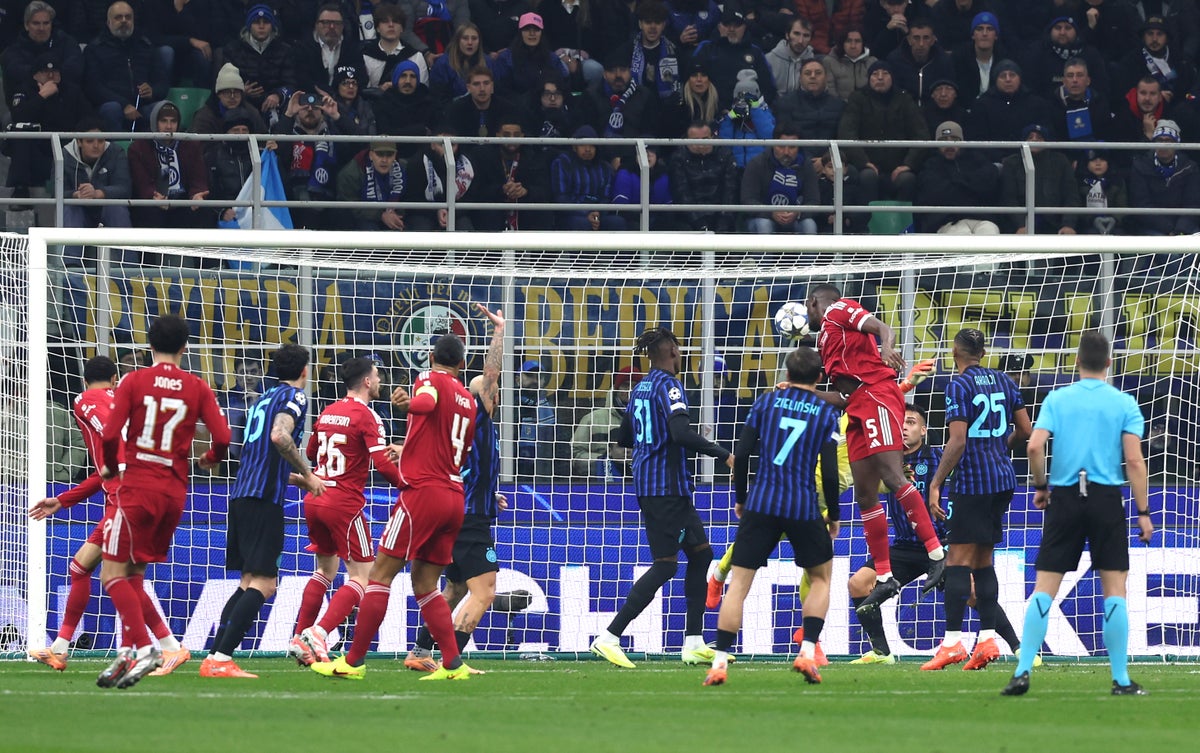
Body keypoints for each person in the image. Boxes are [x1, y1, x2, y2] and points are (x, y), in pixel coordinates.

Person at [311, 334, 479, 681]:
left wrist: (409, 405)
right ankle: (453, 664)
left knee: (378, 575)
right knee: (425, 584)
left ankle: (353, 662)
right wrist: (411, 447)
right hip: (454, 495)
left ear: (431, 357)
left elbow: (428, 403)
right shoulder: (468, 399)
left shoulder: (430, 379)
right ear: (463, 364)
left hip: (424, 494)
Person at [1002, 331, 1154, 697]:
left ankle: (1022, 672)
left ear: (1076, 363)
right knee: (1114, 587)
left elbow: (1035, 446)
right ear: (1109, 363)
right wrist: (1143, 511)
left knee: (1044, 588)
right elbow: (1134, 460)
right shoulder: (1124, 403)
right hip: (1104, 497)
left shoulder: (1058, 398)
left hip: (1066, 497)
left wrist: (1041, 487)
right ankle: (1120, 679)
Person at [28, 356, 191, 676]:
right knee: (81, 566)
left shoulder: (86, 400)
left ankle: (170, 647)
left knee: (122, 576)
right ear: (116, 379)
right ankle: (60, 649)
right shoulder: (131, 403)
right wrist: (64, 500)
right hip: (139, 492)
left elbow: (113, 445)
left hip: (127, 499)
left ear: (85, 380)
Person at [94, 315, 231, 689]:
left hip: (138, 487)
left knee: (111, 574)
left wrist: (107, 468)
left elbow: (108, 433)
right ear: (185, 347)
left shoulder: (134, 381)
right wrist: (209, 460)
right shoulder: (197, 386)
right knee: (134, 573)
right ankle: (143, 649)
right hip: (173, 494)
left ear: (148, 344)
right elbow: (222, 435)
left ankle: (143, 647)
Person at [589, 327, 734, 669]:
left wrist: (651, 437)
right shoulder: (669, 386)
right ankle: (610, 636)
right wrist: (721, 453)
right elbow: (680, 434)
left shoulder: (640, 388)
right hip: (665, 488)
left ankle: (694, 641)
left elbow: (624, 436)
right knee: (666, 565)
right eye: (679, 348)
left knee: (701, 555)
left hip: (657, 486)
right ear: (670, 350)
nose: (681, 353)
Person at [703, 346, 842, 686]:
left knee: (739, 586)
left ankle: (719, 662)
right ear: (820, 377)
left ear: (786, 375)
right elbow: (831, 468)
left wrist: (740, 499)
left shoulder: (765, 403)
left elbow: (743, 454)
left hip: (761, 503)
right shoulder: (826, 414)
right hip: (803, 505)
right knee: (822, 578)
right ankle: (808, 652)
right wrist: (834, 514)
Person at [805, 283, 946, 614]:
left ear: (813, 302)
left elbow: (883, 326)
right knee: (866, 495)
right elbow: (841, 397)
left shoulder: (837, 310)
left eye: (808, 307)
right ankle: (885, 575)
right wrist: (802, 391)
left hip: (878, 395)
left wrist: (886, 348)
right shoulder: (826, 338)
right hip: (856, 404)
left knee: (894, 477)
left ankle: (936, 555)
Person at [198, 345, 323, 679]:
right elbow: (280, 436)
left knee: (248, 581)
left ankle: (214, 656)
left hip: (241, 495)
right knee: (265, 584)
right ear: (305, 371)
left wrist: (296, 479)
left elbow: (259, 451)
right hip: (263, 500)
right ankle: (222, 657)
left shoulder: (261, 399)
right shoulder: (294, 398)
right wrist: (309, 473)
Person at [404, 305, 507, 671]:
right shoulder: (474, 404)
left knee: (456, 588)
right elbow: (491, 373)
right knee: (485, 592)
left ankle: (419, 651)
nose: (491, 389)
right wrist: (499, 331)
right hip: (470, 514)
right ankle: (454, 660)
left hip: (452, 503)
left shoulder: (445, 407)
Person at [923, 329, 1032, 671]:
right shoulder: (1003, 380)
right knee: (984, 560)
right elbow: (1027, 431)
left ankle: (952, 642)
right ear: (983, 351)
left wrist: (936, 483)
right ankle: (986, 639)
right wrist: (999, 449)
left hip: (973, 482)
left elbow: (957, 441)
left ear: (955, 350)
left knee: (957, 561)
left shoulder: (959, 384)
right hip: (1002, 480)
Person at [288, 356, 403, 666]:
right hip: (343, 504)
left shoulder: (328, 411)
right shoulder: (367, 416)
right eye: (377, 376)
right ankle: (318, 633)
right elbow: (382, 464)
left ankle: (300, 641)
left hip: (315, 497)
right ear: (367, 381)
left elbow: (311, 453)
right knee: (363, 578)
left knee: (325, 570)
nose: (379, 381)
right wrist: (406, 485)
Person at [837, 59, 928, 203]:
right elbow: (846, 133)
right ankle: (866, 224)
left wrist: (908, 164)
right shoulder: (857, 98)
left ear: (892, 78)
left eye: (885, 73)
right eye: (875, 74)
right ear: (868, 78)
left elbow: (921, 135)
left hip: (899, 166)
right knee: (867, 177)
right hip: (867, 165)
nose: (880, 77)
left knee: (908, 179)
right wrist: (863, 162)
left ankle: (903, 226)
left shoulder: (904, 99)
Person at [84, 1, 170, 133]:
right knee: (112, 109)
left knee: (164, 108)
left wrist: (153, 91)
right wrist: (124, 104)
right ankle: (117, 151)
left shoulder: (146, 46)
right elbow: (94, 88)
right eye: (118, 17)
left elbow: (163, 82)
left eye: (128, 17)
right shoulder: (94, 49)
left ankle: (159, 152)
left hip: (143, 107)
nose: (124, 21)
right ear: (108, 22)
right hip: (112, 107)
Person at [127, 101, 211, 234]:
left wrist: (196, 195)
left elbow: (198, 179)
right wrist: (154, 197)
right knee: (149, 213)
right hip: (153, 201)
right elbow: (141, 182)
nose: (168, 126)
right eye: (163, 121)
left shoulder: (190, 144)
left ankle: (201, 255)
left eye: (173, 121)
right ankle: (149, 255)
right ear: (155, 122)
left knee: (203, 211)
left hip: (183, 201)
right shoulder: (139, 147)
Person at [213, 4, 297, 123]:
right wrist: (240, 90)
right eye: (257, 22)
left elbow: (291, 83)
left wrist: (278, 95)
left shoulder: (285, 50)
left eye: (266, 22)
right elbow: (224, 81)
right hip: (242, 102)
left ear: (272, 26)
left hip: (275, 104)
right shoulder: (233, 49)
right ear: (249, 25)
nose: (261, 26)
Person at [915, 120, 1000, 234]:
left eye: (954, 139)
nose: (949, 144)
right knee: (961, 239)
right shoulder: (930, 165)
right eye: (943, 140)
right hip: (948, 221)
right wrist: (970, 187)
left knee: (989, 233)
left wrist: (956, 182)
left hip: (981, 218)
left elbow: (988, 183)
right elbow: (936, 193)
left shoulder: (976, 159)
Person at [740, 122, 819, 234]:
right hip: (761, 218)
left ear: (799, 147)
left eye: (792, 147)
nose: (786, 152)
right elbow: (747, 200)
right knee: (764, 224)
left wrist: (798, 212)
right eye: (781, 146)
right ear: (773, 144)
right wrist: (771, 212)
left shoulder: (806, 165)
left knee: (809, 225)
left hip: (796, 218)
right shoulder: (757, 163)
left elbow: (813, 200)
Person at [572, 365, 642, 478]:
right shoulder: (592, 419)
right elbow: (574, 455)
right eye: (625, 385)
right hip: (598, 486)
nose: (630, 390)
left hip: (642, 486)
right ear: (616, 388)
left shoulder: (651, 420)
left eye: (635, 386)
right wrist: (606, 459)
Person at [669, 120, 739, 233]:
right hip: (689, 220)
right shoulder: (678, 158)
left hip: (720, 216)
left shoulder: (726, 155)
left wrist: (723, 223)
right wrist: (700, 224)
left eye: (705, 139)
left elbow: (730, 192)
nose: (701, 144)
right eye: (695, 140)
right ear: (687, 141)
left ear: (712, 137)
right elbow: (682, 193)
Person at [335, 140, 410, 231]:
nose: (384, 160)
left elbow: (407, 199)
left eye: (389, 155)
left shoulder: (404, 168)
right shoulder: (351, 173)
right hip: (361, 218)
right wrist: (381, 215)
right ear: (371, 155)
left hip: (394, 214)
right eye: (380, 154)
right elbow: (349, 207)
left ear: (395, 155)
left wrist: (394, 214)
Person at [766, 16, 818, 95]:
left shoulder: (814, 62)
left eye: (806, 36)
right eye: (796, 34)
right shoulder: (769, 60)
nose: (800, 41)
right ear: (787, 35)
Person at [823, 27, 877, 101]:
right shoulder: (829, 62)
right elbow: (830, 90)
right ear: (842, 44)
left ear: (863, 44)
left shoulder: (872, 62)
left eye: (857, 41)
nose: (853, 46)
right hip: (839, 107)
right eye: (848, 41)